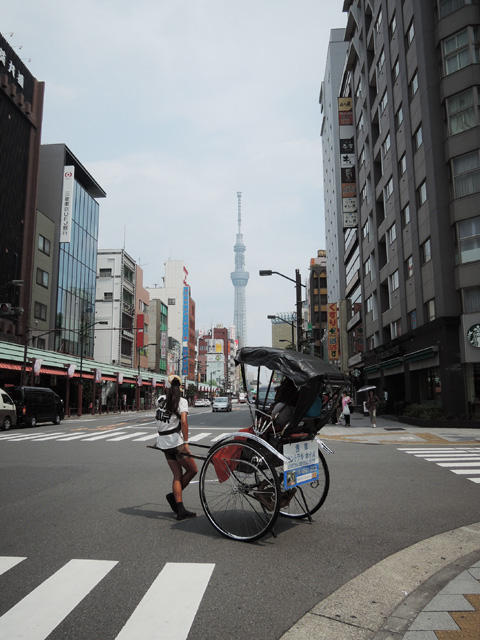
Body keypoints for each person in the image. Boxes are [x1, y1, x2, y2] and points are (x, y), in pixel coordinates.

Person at [155, 374, 197, 520]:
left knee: (177, 474)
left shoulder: (160, 400)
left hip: (163, 442)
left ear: (166, 387)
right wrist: (186, 443)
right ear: (180, 387)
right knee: (192, 470)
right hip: (176, 443)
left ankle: (179, 508)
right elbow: (184, 422)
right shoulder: (182, 401)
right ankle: (174, 498)